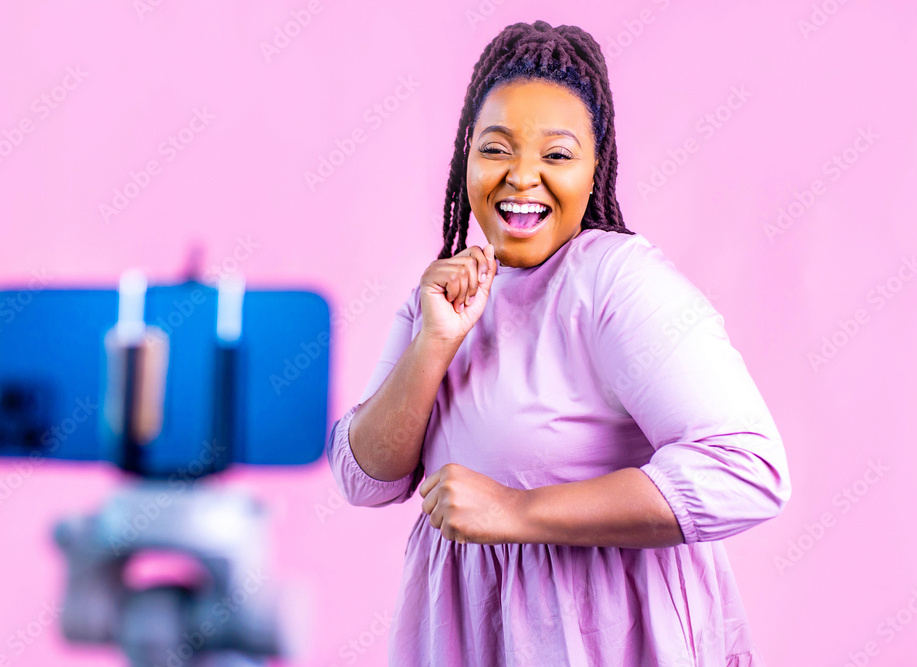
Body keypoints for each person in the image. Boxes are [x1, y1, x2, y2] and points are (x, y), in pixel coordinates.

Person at [325, 19, 791, 667]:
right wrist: (433, 343)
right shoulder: (448, 292)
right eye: (495, 149)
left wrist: (516, 510)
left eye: (557, 154)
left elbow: (748, 470)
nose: (522, 176)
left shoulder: (615, 282)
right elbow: (362, 478)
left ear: (595, 169)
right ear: (465, 158)